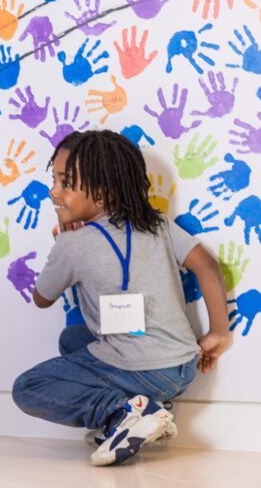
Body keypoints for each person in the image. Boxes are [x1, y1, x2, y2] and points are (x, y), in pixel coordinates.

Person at [12, 129, 231, 467]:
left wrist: (63, 245)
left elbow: (42, 298)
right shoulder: (157, 224)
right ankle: (148, 413)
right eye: (54, 180)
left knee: (27, 387)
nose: (53, 191)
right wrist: (218, 333)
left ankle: (123, 413)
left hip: (142, 370)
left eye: (65, 183)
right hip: (183, 366)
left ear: (101, 192)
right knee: (73, 338)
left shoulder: (72, 244)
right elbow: (208, 266)